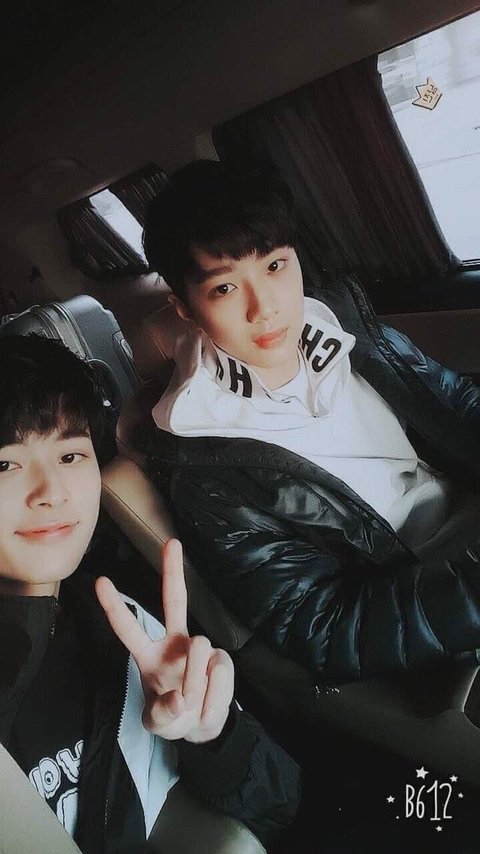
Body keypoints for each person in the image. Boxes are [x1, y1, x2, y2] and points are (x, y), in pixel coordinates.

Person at [140, 158, 480, 685]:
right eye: (225, 288)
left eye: (275, 266)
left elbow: (458, 404)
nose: (265, 308)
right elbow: (323, 624)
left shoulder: (351, 334)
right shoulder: (208, 467)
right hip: (427, 599)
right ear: (184, 307)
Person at [0, 334, 301, 854]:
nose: (52, 491)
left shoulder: (123, 627)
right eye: (4, 464)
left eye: (71, 454)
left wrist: (214, 735)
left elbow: (279, 806)